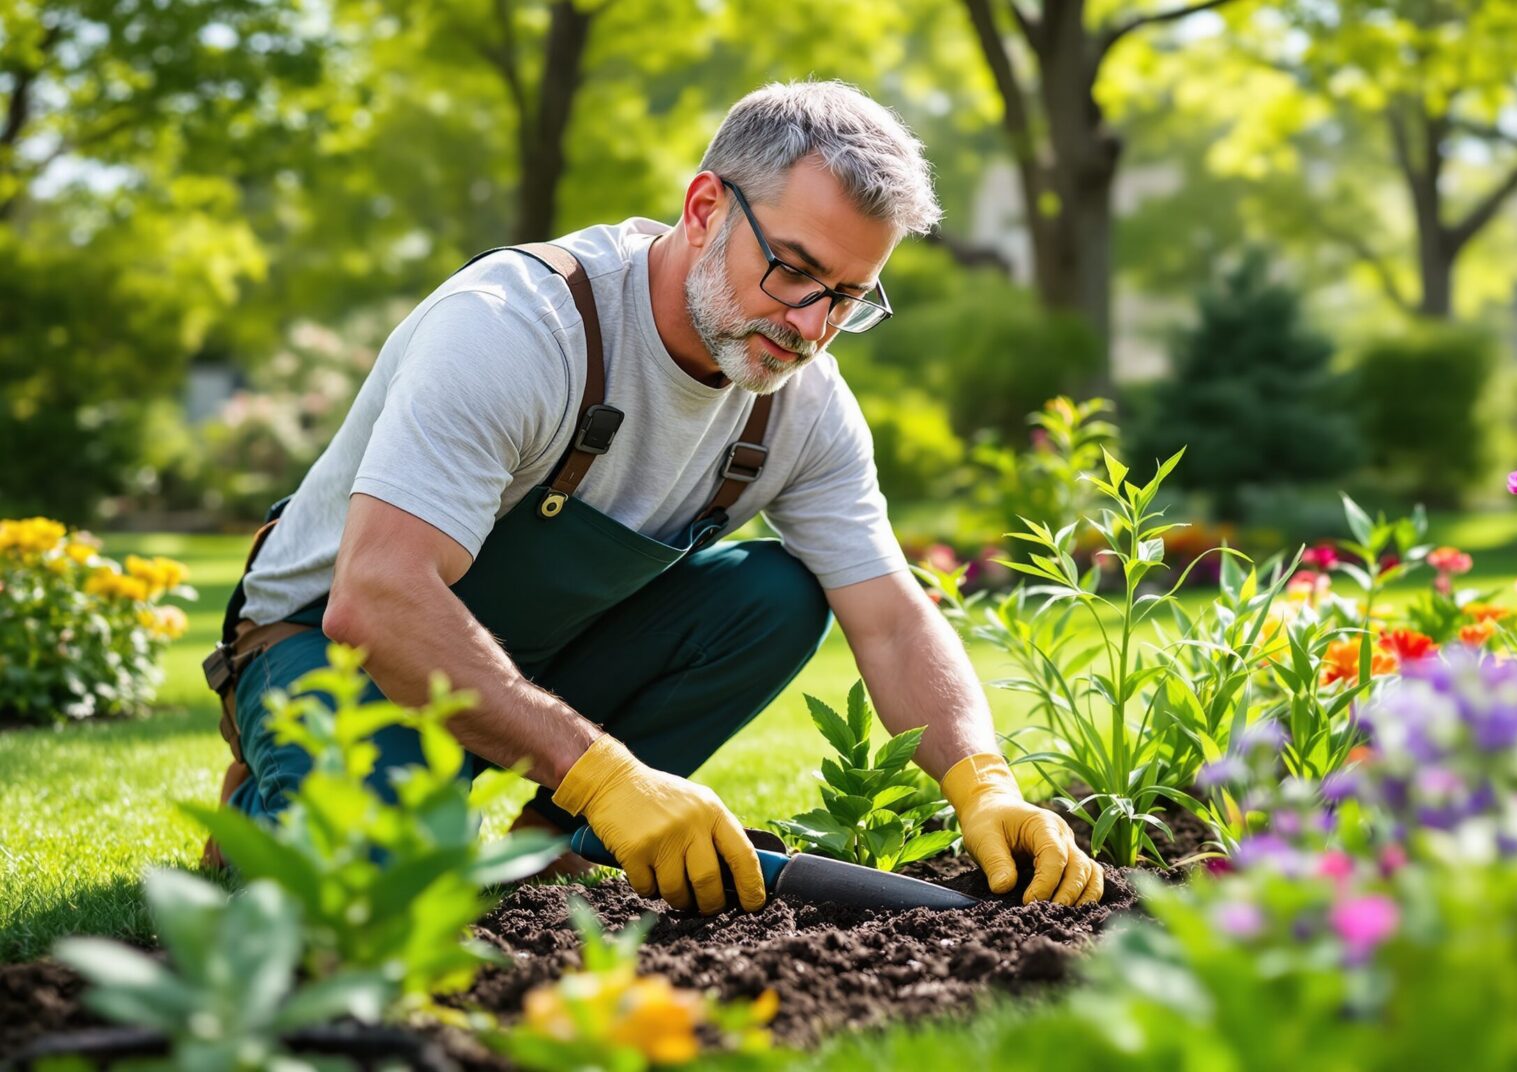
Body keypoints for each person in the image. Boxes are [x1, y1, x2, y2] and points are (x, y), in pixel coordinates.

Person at [202, 79, 1102, 915]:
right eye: (793, 270)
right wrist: (603, 773)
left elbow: (893, 620)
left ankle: (548, 854)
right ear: (706, 209)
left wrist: (987, 785)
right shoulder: (519, 327)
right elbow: (379, 600)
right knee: (368, 896)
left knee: (776, 596)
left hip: (527, 659)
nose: (809, 327)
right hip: (331, 646)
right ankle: (273, 797)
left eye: (847, 299)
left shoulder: (804, 405)